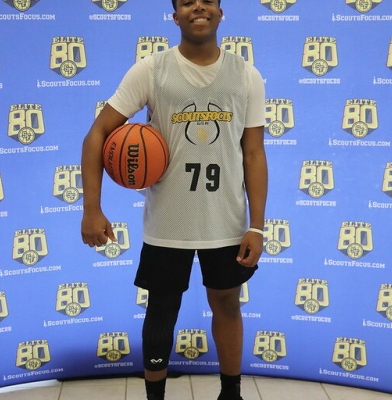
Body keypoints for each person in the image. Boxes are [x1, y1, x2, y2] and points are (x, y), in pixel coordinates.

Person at [81, 0, 268, 398]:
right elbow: (97, 133)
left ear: (221, 12)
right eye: (186, 2)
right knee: (162, 308)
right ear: (175, 16)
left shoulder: (246, 74)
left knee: (227, 304)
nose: (198, 7)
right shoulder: (152, 70)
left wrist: (257, 225)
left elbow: (253, 153)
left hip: (226, 219)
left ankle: (231, 394)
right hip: (168, 218)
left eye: (207, 1)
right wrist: (92, 208)